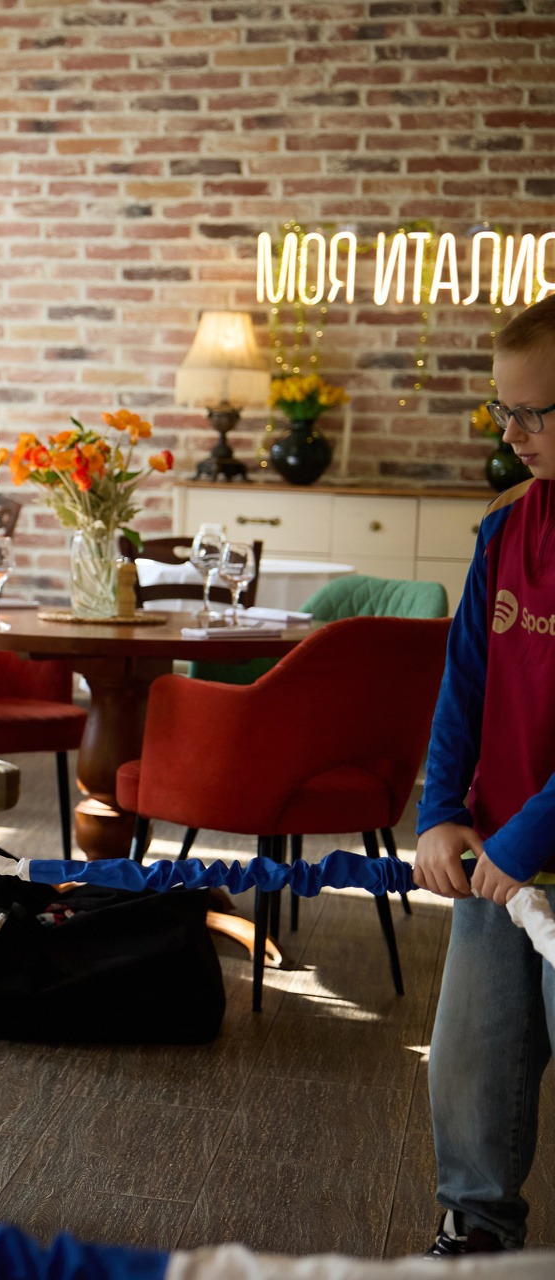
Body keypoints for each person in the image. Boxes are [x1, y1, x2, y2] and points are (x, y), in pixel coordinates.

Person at [414, 294, 555, 1257]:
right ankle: (476, 1235)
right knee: (466, 1069)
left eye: (533, 413)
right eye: (503, 410)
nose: (511, 435)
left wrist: (529, 837)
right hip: (496, 859)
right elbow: (463, 682)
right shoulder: (505, 525)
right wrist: (439, 810)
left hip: (527, 848)